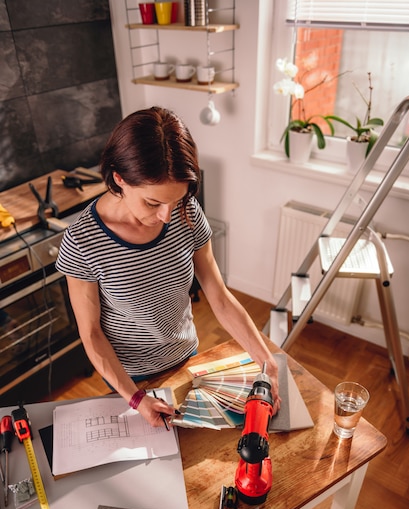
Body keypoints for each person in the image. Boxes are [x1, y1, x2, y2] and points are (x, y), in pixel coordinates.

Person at [56, 107, 279, 428]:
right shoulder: (83, 242)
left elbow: (217, 293)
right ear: (119, 179)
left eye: (176, 200)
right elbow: (91, 334)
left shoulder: (185, 213)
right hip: (129, 375)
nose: (166, 215)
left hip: (187, 356)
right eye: (152, 202)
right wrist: (135, 398)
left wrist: (266, 361)